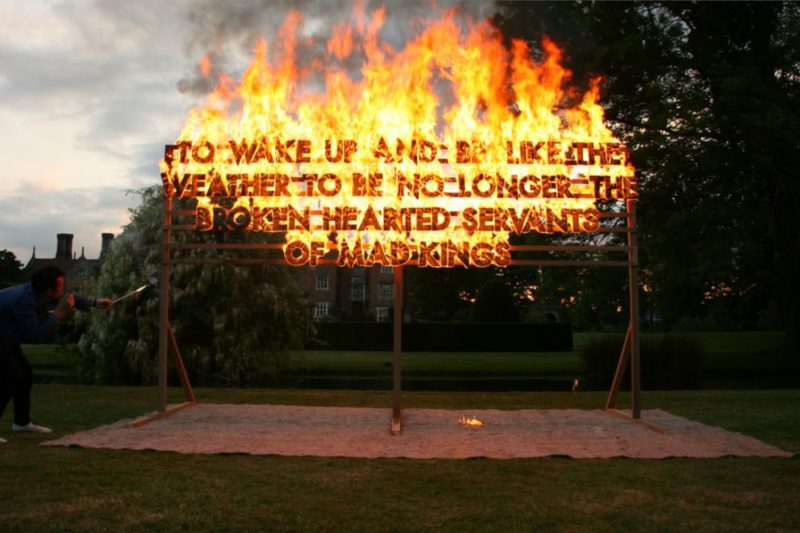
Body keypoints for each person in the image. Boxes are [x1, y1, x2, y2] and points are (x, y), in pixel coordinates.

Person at [0, 265, 112, 442]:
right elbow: (35, 336)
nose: (63, 288)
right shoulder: (24, 301)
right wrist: (58, 314)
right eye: (60, 285)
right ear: (50, 290)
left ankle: (21, 423)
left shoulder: (37, 291)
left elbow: (69, 299)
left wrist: (95, 303)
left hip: (6, 338)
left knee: (25, 375)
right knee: (10, 378)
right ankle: (20, 422)